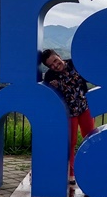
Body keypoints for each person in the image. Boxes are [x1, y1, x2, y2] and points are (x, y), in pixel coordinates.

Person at [40, 49, 95, 185]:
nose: (54, 65)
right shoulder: (49, 77)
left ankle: (92, 167)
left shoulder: (75, 63)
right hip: (68, 113)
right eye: (50, 65)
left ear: (59, 56)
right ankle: (71, 174)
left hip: (84, 108)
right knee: (71, 143)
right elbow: (49, 97)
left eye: (55, 61)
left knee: (91, 138)